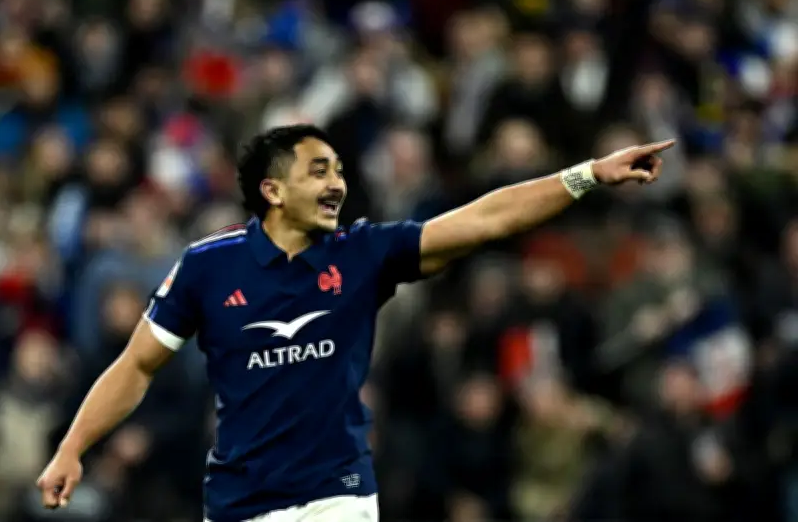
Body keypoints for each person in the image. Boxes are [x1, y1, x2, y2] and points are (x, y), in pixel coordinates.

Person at [36, 124, 674, 522]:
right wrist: (72, 448)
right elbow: (137, 366)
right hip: (239, 502)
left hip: (336, 494)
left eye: (339, 170)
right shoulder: (207, 267)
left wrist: (588, 175)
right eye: (319, 171)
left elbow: (485, 220)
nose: (338, 183)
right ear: (272, 191)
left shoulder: (363, 253)